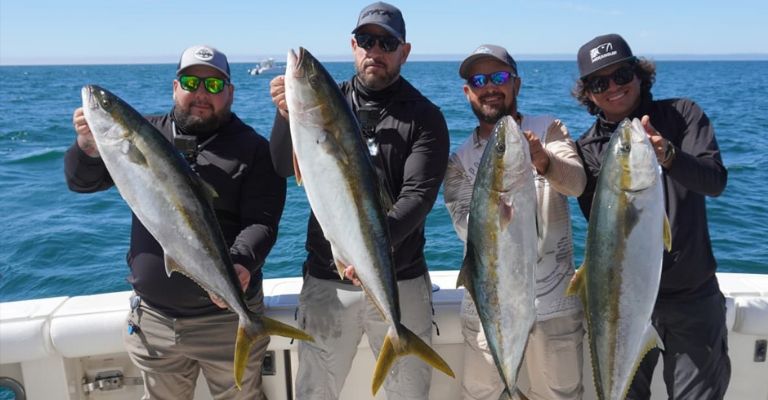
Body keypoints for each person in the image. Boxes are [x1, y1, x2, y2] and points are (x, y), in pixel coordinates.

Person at [65, 45, 286, 399]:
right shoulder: (142, 134)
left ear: (230, 92)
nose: (201, 94)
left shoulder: (254, 148)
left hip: (226, 322)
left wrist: (242, 261)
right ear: (174, 87)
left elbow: (263, 220)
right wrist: (88, 146)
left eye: (213, 86)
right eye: (191, 82)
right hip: (155, 323)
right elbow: (81, 182)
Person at [268, 2, 449, 399]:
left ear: (405, 51)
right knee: (316, 391)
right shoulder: (328, 104)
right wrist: (285, 116)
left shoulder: (425, 117)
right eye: (366, 40)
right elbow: (283, 166)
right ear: (353, 45)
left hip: (399, 280)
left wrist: (369, 252)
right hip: (327, 280)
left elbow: (418, 198)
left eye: (387, 42)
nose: (375, 50)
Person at [572, 33, 731, 399]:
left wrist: (669, 155)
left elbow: (715, 181)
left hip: (692, 297)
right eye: (599, 82)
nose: (613, 87)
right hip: (621, 303)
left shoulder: (683, 115)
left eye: (622, 75)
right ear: (588, 93)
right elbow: (599, 228)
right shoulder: (589, 149)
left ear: (640, 74)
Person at [443, 44, 586, 400]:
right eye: (479, 80)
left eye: (500, 77)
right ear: (467, 92)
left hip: (554, 307)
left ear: (516, 84)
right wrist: (495, 207)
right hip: (488, 308)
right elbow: (465, 227)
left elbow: (577, 183)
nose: (489, 86)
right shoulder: (458, 162)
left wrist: (545, 162)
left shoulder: (549, 129)